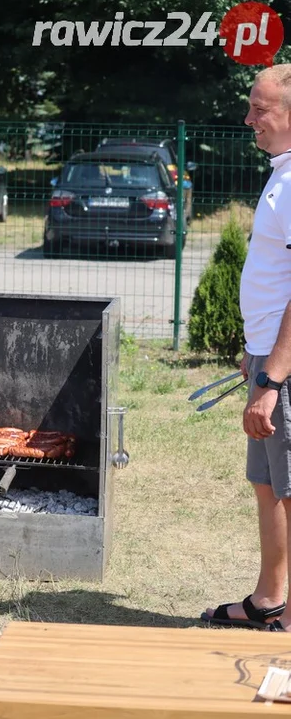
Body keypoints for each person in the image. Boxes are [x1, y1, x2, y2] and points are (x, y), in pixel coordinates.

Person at [201, 64, 291, 632]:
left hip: (285, 369)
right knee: (268, 485)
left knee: (290, 487)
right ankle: (270, 599)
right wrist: (255, 352)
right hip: (269, 356)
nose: (248, 118)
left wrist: (274, 379)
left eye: (261, 109)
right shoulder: (282, 172)